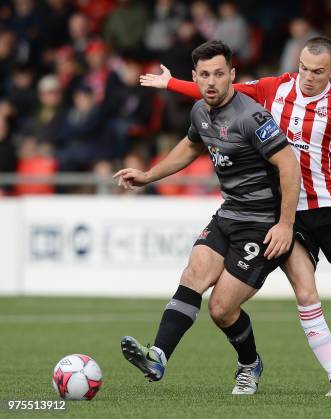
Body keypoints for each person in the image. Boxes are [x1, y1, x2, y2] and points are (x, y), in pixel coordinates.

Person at [140, 36, 331, 396]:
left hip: (328, 206)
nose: (307, 77)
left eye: (317, 71)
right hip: (286, 210)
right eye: (303, 67)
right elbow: (222, 89)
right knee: (305, 292)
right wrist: (172, 83)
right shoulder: (276, 87)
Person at [115, 40, 301, 395]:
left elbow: (288, 163)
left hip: (262, 226)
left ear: (232, 75)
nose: (212, 81)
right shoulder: (200, 110)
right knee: (193, 274)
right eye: (204, 75)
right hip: (229, 214)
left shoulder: (252, 116)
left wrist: (286, 224)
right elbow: (190, 146)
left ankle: (250, 364)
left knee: (220, 309)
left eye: (219, 73)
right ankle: (157, 356)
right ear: (195, 77)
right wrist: (148, 174)